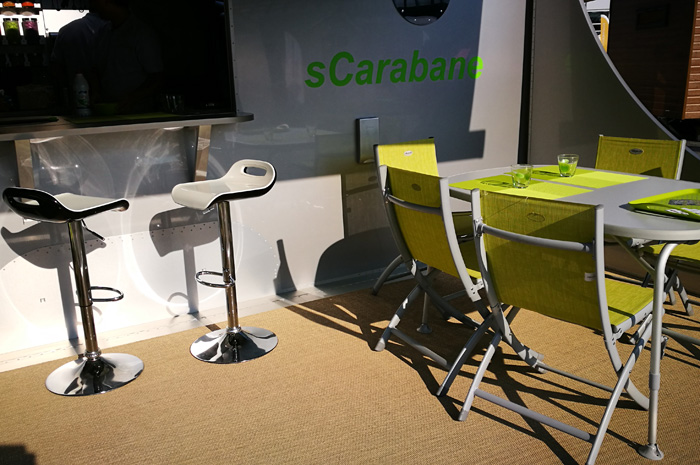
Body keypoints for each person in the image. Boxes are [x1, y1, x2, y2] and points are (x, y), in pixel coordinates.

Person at [91, 0, 164, 114]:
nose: (94, 6)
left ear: (106, 2)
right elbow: (96, 68)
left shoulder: (141, 34)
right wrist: (95, 90)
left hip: (137, 112)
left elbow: (157, 76)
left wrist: (133, 98)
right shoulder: (103, 32)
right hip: (107, 110)